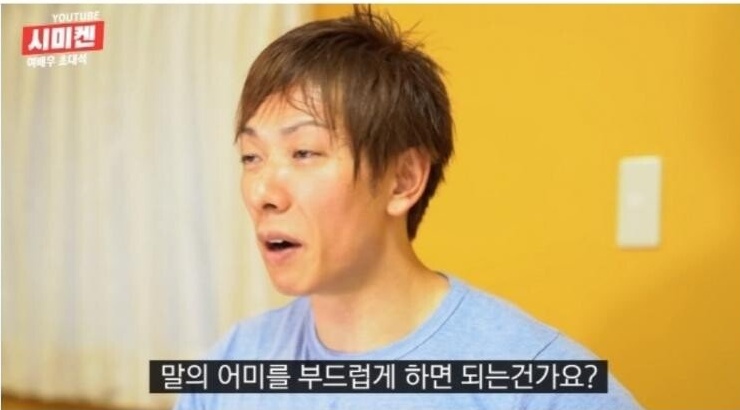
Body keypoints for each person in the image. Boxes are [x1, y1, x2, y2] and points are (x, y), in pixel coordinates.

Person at [175, 6, 642, 410]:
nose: (262, 192)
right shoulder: (231, 366)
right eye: (251, 157)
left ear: (403, 180)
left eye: (304, 152)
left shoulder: (540, 384)